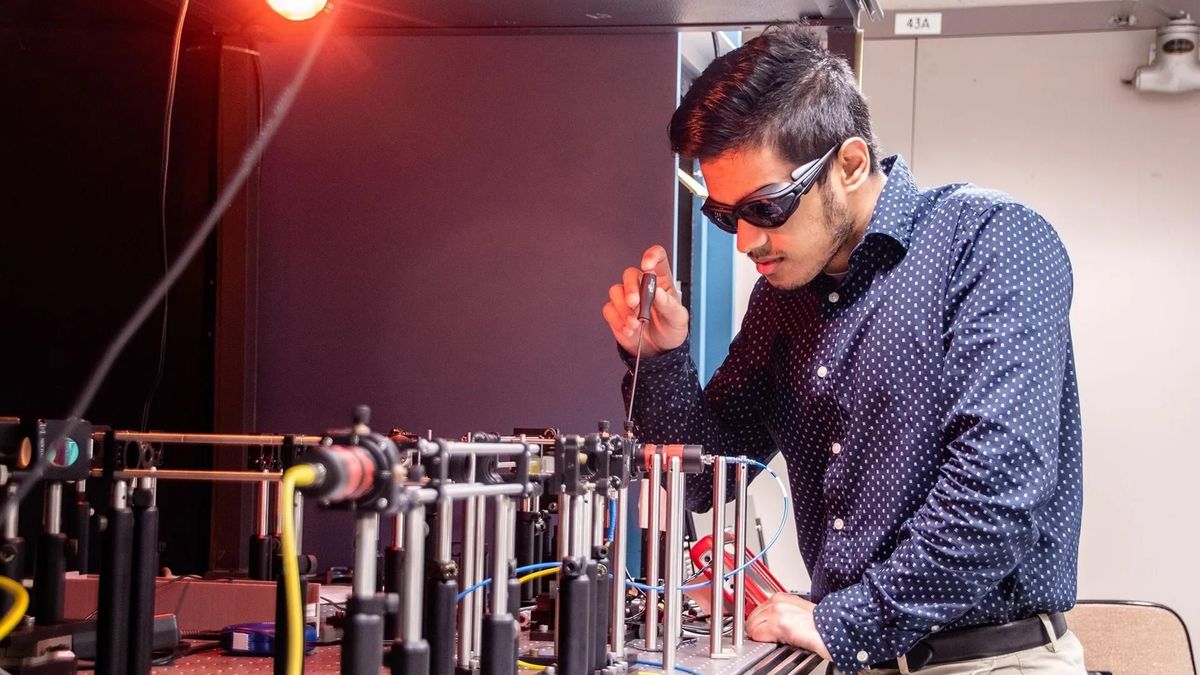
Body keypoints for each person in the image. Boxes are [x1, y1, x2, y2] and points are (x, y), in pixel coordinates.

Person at [601, 23, 1085, 675]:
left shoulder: (991, 243)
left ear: (850, 164)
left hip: (986, 659)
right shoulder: (782, 296)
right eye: (725, 216)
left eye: (765, 207)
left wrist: (849, 620)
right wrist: (661, 356)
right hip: (848, 655)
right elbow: (707, 476)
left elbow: (998, 488)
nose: (745, 241)